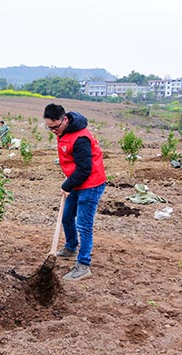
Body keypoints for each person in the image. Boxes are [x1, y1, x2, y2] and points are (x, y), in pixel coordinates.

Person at [43, 103, 106, 281]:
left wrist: (66, 185)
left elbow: (85, 169)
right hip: (77, 182)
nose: (54, 131)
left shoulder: (80, 138)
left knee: (84, 225)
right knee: (67, 216)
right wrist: (70, 183)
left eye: (56, 127)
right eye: (50, 128)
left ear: (65, 119)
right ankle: (71, 247)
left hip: (91, 184)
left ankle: (83, 265)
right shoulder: (64, 131)